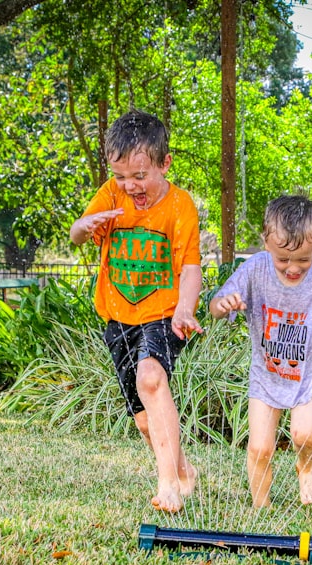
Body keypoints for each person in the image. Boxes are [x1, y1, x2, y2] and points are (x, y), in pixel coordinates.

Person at [69, 110, 203, 513]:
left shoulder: (180, 207)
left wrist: (184, 308)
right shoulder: (111, 194)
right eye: (121, 175)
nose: (130, 186)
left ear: (165, 163)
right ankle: (182, 471)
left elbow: (191, 267)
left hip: (163, 314)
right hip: (118, 317)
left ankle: (168, 487)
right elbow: (77, 234)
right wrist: (86, 225)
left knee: (151, 378)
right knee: (144, 418)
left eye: (139, 176)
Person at [209, 195, 312, 508]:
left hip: (308, 375)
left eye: (303, 260)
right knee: (259, 448)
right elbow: (217, 305)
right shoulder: (255, 269)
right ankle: (262, 508)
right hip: (266, 377)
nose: (293, 268)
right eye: (283, 260)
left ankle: (306, 466)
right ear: (266, 243)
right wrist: (224, 304)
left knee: (303, 434)